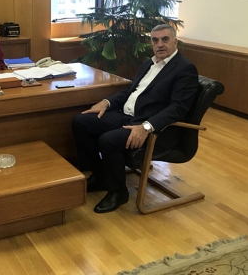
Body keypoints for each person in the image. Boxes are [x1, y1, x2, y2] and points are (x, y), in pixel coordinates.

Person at [72, 24, 199, 214]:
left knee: (108, 140)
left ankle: (118, 192)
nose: (160, 44)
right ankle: (100, 177)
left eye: (165, 39)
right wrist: (106, 102)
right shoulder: (149, 63)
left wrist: (146, 127)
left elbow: (177, 108)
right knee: (81, 122)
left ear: (175, 42)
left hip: (155, 128)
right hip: (128, 116)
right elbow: (129, 91)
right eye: (155, 40)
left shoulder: (184, 69)